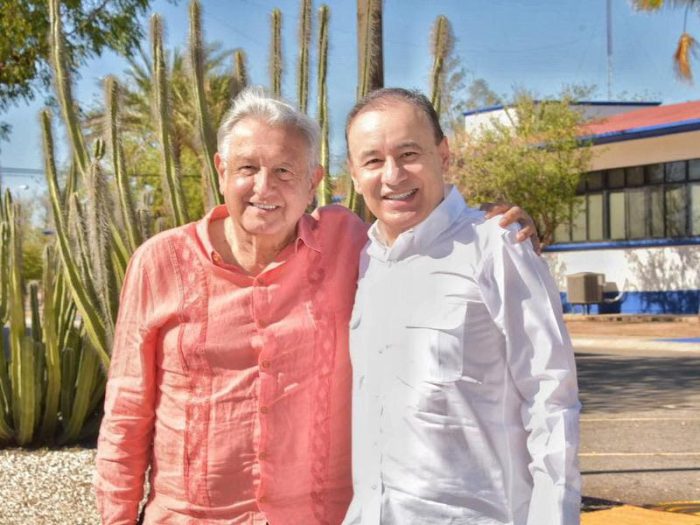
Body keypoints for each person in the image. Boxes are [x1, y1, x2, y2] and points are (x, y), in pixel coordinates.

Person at [95, 87, 537, 524]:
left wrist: (482, 225)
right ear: (221, 170)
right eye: (248, 168)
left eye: (285, 171)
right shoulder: (160, 262)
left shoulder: (348, 244)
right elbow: (126, 412)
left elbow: (419, 238)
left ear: (313, 182)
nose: (264, 187)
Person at [342, 88, 580, 525]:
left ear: (443, 154)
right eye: (373, 161)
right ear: (354, 175)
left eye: (409, 154)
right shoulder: (364, 261)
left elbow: (552, 397)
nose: (393, 175)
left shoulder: (497, 245)